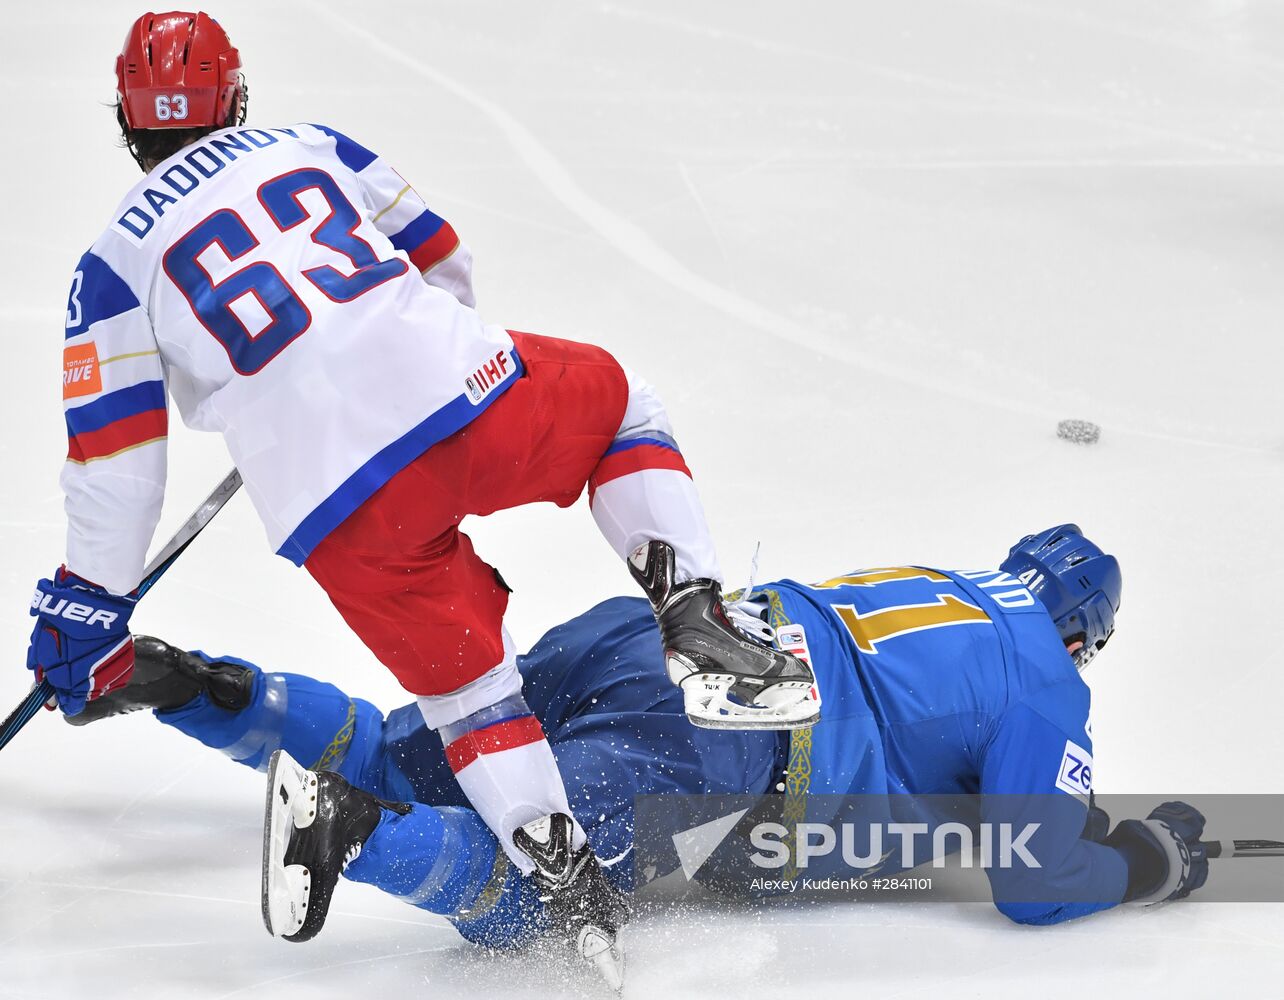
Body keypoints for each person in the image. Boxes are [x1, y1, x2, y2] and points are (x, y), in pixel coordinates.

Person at [24, 10, 821, 974]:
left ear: (126, 118)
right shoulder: (309, 142)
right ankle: (691, 605)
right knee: (619, 410)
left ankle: (563, 879)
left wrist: (87, 607)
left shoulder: (109, 267)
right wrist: (409, 360)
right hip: (462, 396)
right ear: (237, 98)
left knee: (470, 693)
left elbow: (117, 463)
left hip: (334, 497)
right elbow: (442, 257)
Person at [69, 523, 1209, 984]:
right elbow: (1035, 876)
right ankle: (350, 833)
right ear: (1084, 639)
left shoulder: (946, 581)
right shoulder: (1046, 676)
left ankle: (190, 685)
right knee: (540, 889)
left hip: (638, 638)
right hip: (726, 736)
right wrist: (1152, 859)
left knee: (408, 747)